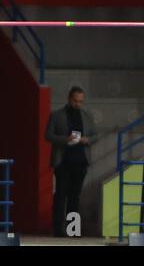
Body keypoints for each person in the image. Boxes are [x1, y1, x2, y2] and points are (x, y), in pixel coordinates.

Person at [45, 86, 98, 237]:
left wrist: (87, 140)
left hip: (81, 161)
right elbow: (48, 135)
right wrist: (65, 139)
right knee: (61, 195)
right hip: (62, 161)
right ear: (69, 99)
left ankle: (72, 229)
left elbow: (95, 135)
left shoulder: (87, 116)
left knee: (75, 196)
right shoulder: (56, 115)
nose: (78, 104)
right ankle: (58, 229)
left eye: (81, 101)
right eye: (75, 101)